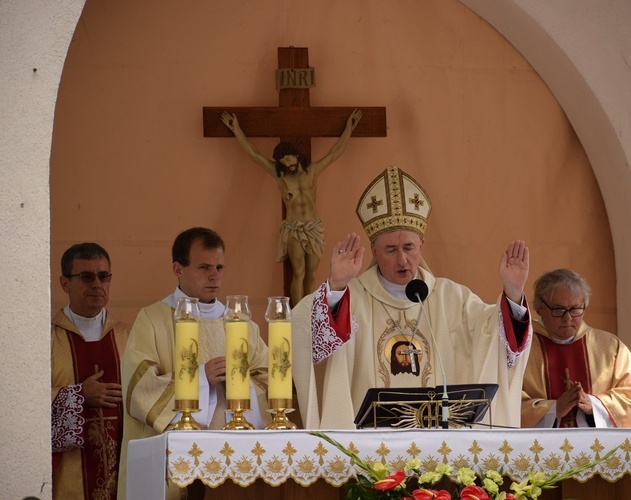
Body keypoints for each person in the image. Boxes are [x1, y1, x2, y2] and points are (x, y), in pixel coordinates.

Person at [291, 165, 533, 429]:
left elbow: (493, 336)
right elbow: (301, 328)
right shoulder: (353, 298)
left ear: (422, 246)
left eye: (409, 247)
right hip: (369, 447)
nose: (402, 259)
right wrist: (336, 286)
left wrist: (512, 292)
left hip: (441, 447)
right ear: (373, 250)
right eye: (390, 250)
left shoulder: (451, 298)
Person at [117, 227, 269, 500]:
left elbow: (268, 377)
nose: (215, 276)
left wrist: (240, 382)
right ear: (178, 269)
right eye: (204, 267)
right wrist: (200, 379)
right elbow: (138, 388)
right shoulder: (153, 319)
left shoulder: (240, 322)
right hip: (175, 467)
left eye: (220, 267)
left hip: (234, 460)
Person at [221, 108, 363, 306]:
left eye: (288, 158)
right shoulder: (281, 177)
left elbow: (334, 153)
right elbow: (255, 155)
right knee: (299, 271)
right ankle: (297, 313)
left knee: (312, 273)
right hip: (294, 229)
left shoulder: (312, 171)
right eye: (282, 162)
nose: (287, 164)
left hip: (313, 228)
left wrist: (349, 127)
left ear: (295, 154)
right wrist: (236, 130)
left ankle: (309, 311)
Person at [521, 269, 631, 428]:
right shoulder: (521, 348)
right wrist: (553, 410)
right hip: (540, 449)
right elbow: (506, 401)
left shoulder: (610, 347)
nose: (568, 318)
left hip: (597, 449)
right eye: (558, 310)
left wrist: (595, 405)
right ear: (539, 308)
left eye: (575, 309)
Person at [51, 242, 129, 499]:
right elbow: (24, 400)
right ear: (65, 284)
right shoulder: (47, 338)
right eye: (86, 276)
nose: (97, 284)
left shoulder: (127, 336)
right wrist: (78, 395)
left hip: (123, 468)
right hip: (68, 476)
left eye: (103, 276)